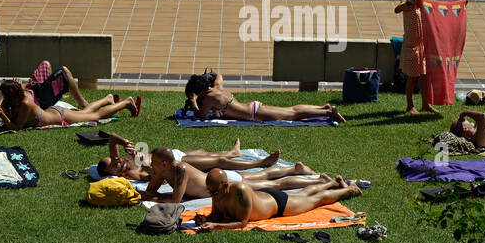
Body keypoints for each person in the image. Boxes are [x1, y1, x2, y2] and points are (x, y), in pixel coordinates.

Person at [195, 171, 363, 231]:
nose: (213, 195)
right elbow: (216, 214)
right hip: (265, 197)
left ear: (226, 185)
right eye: (210, 192)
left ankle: (350, 189)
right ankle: (333, 183)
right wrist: (206, 220)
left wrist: (216, 226)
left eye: (215, 191)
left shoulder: (240, 190)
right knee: (304, 194)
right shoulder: (217, 191)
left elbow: (242, 222)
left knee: (315, 199)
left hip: (277, 204)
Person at [141, 147, 319, 204]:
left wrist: (155, 197)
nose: (150, 166)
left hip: (224, 181)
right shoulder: (163, 171)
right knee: (262, 177)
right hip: (218, 179)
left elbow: (175, 201)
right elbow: (150, 191)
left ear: (164, 164)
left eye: (153, 163)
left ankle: (314, 180)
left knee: (270, 184)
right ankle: (293, 170)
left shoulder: (180, 169)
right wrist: (151, 192)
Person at [185, 70, 346, 123]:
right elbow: (218, 75)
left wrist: (193, 102)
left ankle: (327, 113)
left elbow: (200, 115)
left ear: (199, 91)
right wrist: (208, 77)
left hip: (254, 113)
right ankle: (322, 108)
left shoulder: (209, 98)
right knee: (291, 110)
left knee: (293, 115)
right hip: (253, 107)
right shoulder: (216, 87)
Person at [96, 136, 272, 180]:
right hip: (174, 163)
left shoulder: (121, 161)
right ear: (112, 173)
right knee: (219, 163)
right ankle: (259, 163)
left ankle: (234, 153)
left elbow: (112, 138)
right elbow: (154, 176)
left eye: (114, 159)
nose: (117, 160)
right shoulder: (130, 175)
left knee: (204, 152)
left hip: (173, 153)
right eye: (113, 164)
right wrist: (143, 161)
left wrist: (125, 142)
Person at [0, 79, 139, 130]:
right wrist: (4, 109)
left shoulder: (25, 103)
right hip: (53, 112)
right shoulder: (17, 97)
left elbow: (16, 127)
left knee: (94, 116)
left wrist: (1, 114)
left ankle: (126, 103)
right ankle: (107, 99)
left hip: (59, 116)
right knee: (84, 113)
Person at [0, 63, 95, 117]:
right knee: (64, 72)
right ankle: (82, 103)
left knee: (45, 64)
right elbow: (16, 99)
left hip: (33, 90)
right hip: (38, 98)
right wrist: (19, 86)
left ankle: (58, 92)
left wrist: (20, 85)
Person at [395, 0, 434, 115]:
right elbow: (397, 9)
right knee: (413, 77)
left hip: (423, 44)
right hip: (411, 44)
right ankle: (410, 105)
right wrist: (410, 3)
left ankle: (426, 104)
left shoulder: (426, 0)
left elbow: (438, 10)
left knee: (425, 76)